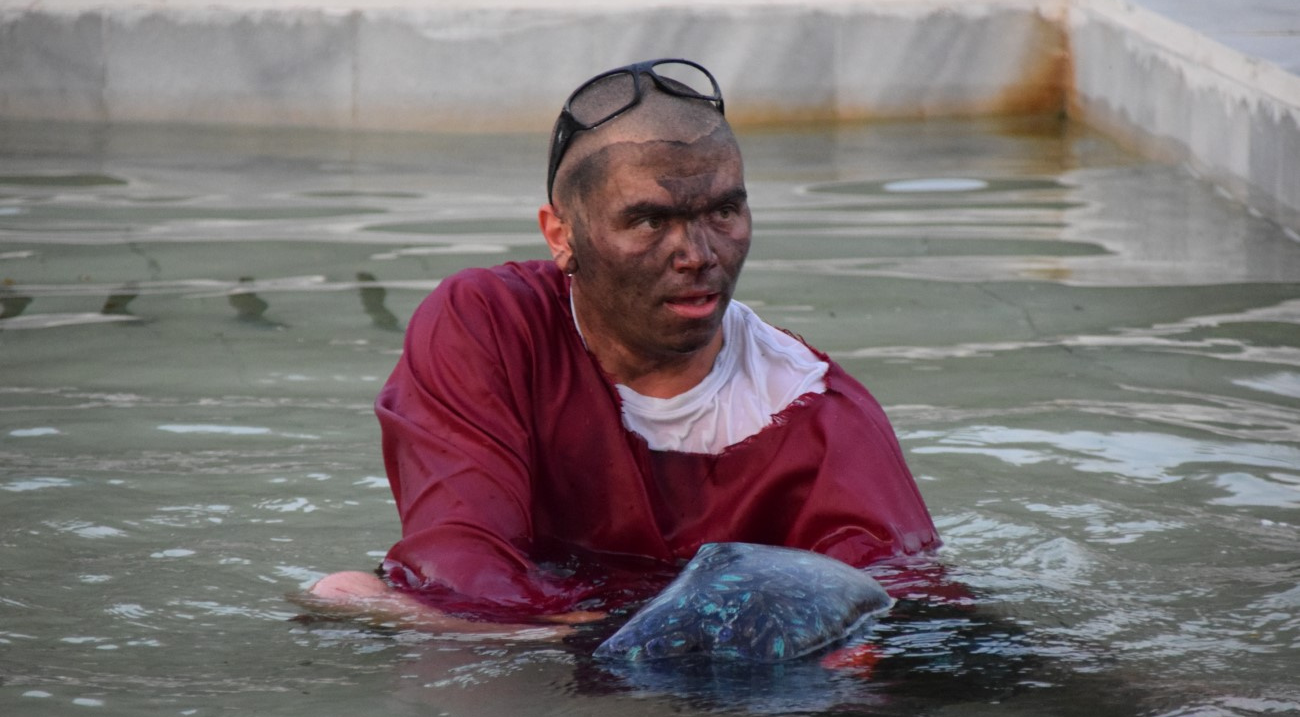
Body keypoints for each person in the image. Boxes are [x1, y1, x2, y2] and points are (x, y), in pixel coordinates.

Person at [308, 59, 939, 630]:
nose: (698, 255)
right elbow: (457, 558)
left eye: (723, 213)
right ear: (561, 236)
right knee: (341, 595)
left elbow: (904, 615)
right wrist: (581, 638)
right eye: (649, 220)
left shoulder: (821, 417)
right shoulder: (489, 324)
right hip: (553, 637)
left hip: (717, 676)